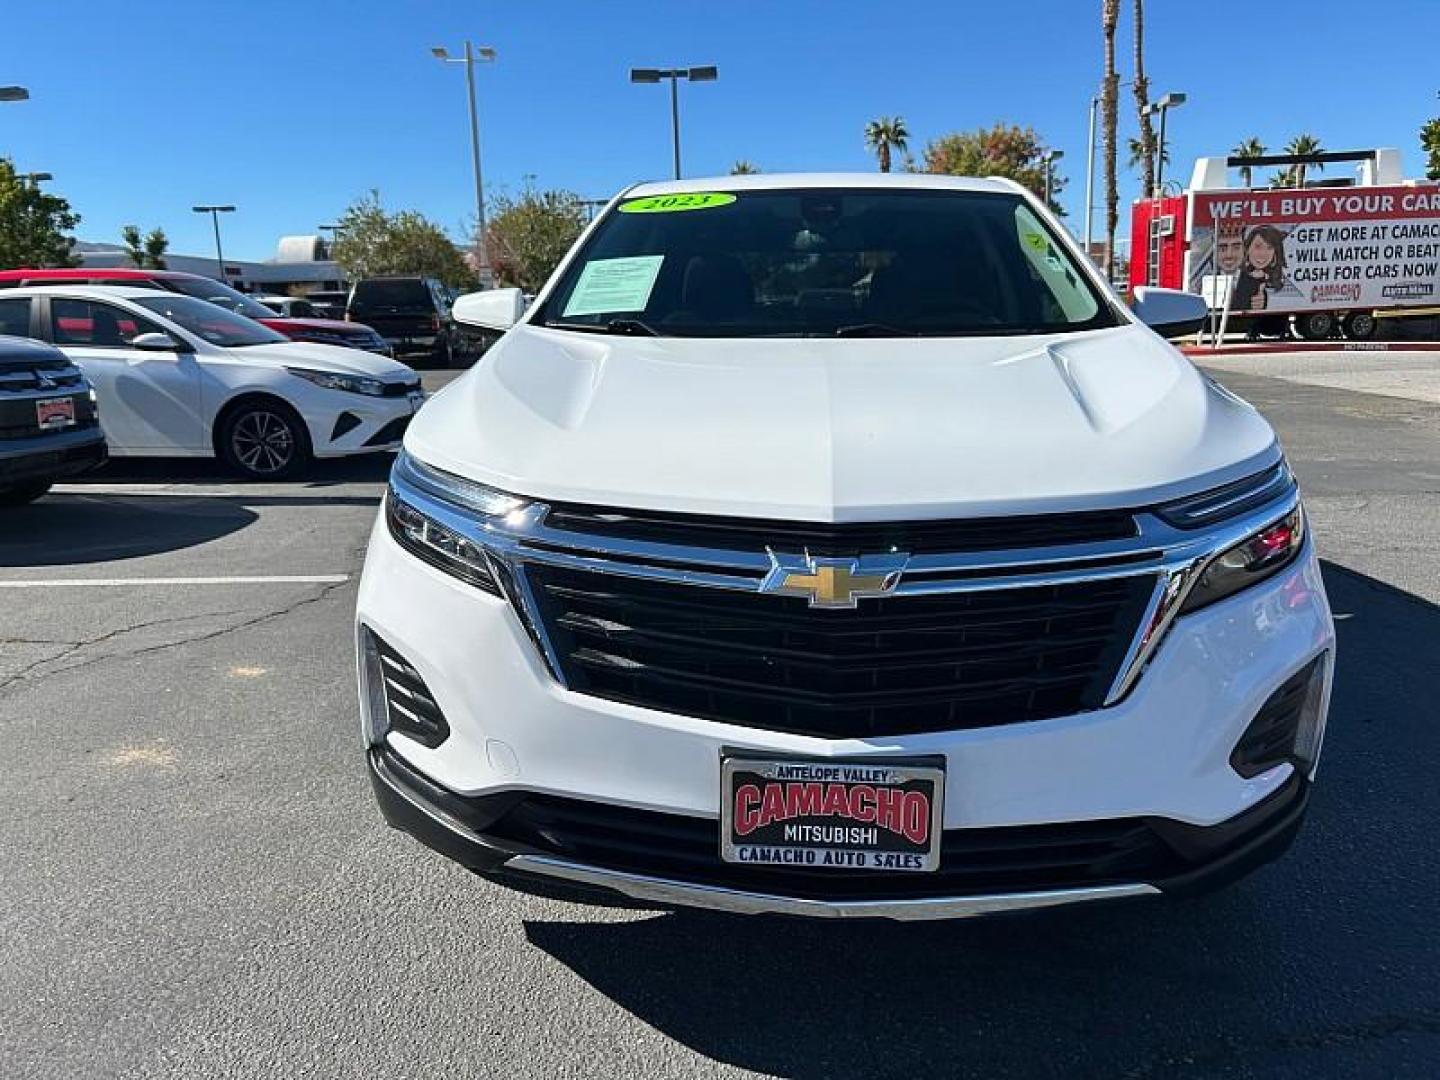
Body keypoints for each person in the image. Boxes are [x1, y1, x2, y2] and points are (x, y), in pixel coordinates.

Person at [1229, 225, 1293, 312]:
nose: (1263, 253)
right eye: (1258, 246)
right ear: (1247, 248)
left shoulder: (1281, 282)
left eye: (1269, 248)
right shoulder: (1237, 277)